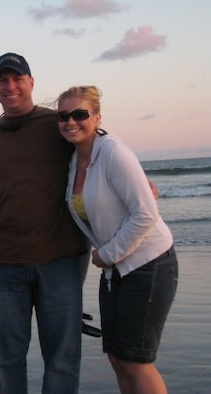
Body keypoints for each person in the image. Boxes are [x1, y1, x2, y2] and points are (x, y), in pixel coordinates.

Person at [0, 52, 88, 394]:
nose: (10, 86)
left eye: (17, 78)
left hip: (61, 259)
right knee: (2, 357)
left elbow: (101, 151)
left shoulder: (60, 123)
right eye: (2, 80)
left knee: (62, 357)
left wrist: (141, 183)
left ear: (31, 82)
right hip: (2, 263)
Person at [56, 85, 178, 394]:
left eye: (80, 114)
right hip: (115, 271)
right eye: (63, 116)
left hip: (148, 264)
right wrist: (108, 259)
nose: (71, 121)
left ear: (96, 117)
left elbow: (145, 213)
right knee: (117, 358)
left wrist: (107, 254)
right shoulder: (74, 161)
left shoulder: (112, 152)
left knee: (137, 361)